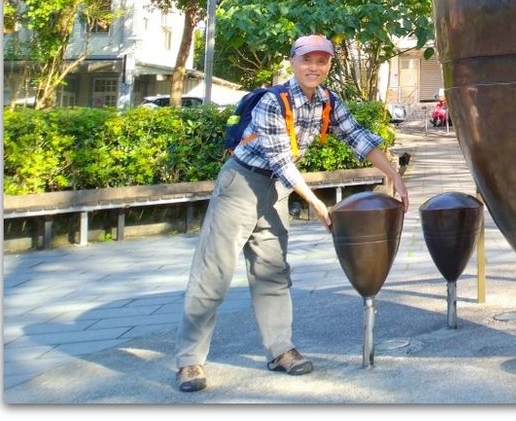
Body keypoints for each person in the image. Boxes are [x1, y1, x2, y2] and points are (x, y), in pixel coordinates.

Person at [174, 34, 409, 393]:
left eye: (321, 61)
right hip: (241, 184)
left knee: (272, 270)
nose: (314, 67)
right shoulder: (273, 101)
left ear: (329, 65)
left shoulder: (328, 101)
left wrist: (394, 175)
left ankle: (280, 349)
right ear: (293, 62)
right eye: (306, 60)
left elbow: (358, 137)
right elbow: (282, 161)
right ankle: (189, 360)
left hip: (276, 189)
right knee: (215, 272)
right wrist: (317, 203)